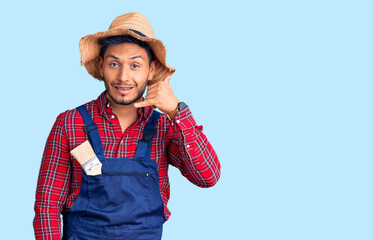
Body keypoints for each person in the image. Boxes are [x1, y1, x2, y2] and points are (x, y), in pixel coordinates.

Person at [33, 12, 221, 240]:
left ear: (151, 70)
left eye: (135, 65)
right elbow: (47, 205)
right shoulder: (71, 123)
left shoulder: (164, 127)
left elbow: (207, 177)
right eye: (114, 63)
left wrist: (176, 111)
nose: (123, 77)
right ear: (101, 66)